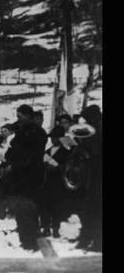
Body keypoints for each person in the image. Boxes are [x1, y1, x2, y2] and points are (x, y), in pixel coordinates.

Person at [3, 104, 47, 251]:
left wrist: (13, 165)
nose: (18, 119)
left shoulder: (36, 133)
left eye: (20, 116)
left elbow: (27, 155)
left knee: (29, 210)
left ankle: (31, 241)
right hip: (21, 177)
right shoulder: (24, 131)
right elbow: (13, 151)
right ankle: (25, 238)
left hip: (29, 176)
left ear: (28, 116)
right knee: (21, 210)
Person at [74, 105, 102, 252]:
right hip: (93, 177)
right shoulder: (94, 128)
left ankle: (95, 241)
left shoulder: (97, 129)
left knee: (94, 209)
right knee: (91, 209)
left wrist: (85, 151)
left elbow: (95, 153)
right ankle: (90, 240)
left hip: (96, 177)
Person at [39, 126, 71, 238]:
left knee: (58, 207)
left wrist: (58, 168)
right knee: (45, 206)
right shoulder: (47, 151)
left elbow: (69, 166)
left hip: (59, 183)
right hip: (47, 182)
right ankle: (46, 227)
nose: (53, 140)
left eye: (56, 137)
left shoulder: (67, 151)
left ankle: (57, 228)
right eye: (52, 137)